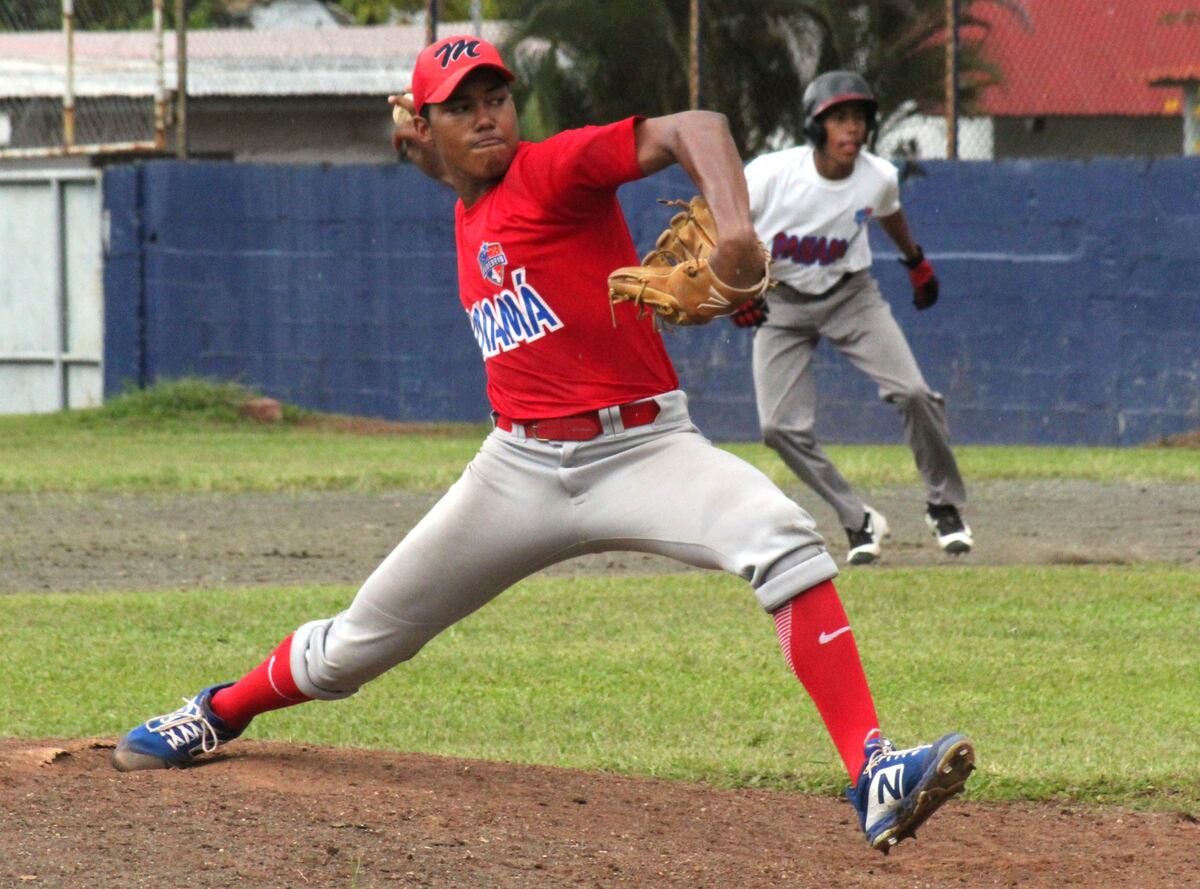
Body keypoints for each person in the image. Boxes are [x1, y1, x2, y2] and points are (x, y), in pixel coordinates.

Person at [111, 37, 974, 853]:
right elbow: (437, 159)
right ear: (427, 126)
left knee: (781, 534)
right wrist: (414, 136)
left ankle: (873, 769)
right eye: (462, 107)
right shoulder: (463, 194)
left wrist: (739, 227)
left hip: (645, 450)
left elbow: (695, 128)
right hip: (517, 471)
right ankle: (219, 709)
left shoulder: (552, 168)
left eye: (498, 98)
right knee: (356, 644)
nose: (488, 116)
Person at [736, 71, 973, 567]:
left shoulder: (878, 175)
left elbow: (887, 210)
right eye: (839, 119)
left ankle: (943, 503)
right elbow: (729, 229)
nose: (852, 129)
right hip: (780, 302)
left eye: (860, 118)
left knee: (913, 392)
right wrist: (739, 287)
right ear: (815, 126)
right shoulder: (770, 175)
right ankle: (856, 517)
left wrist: (914, 261)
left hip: (851, 295)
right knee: (778, 427)